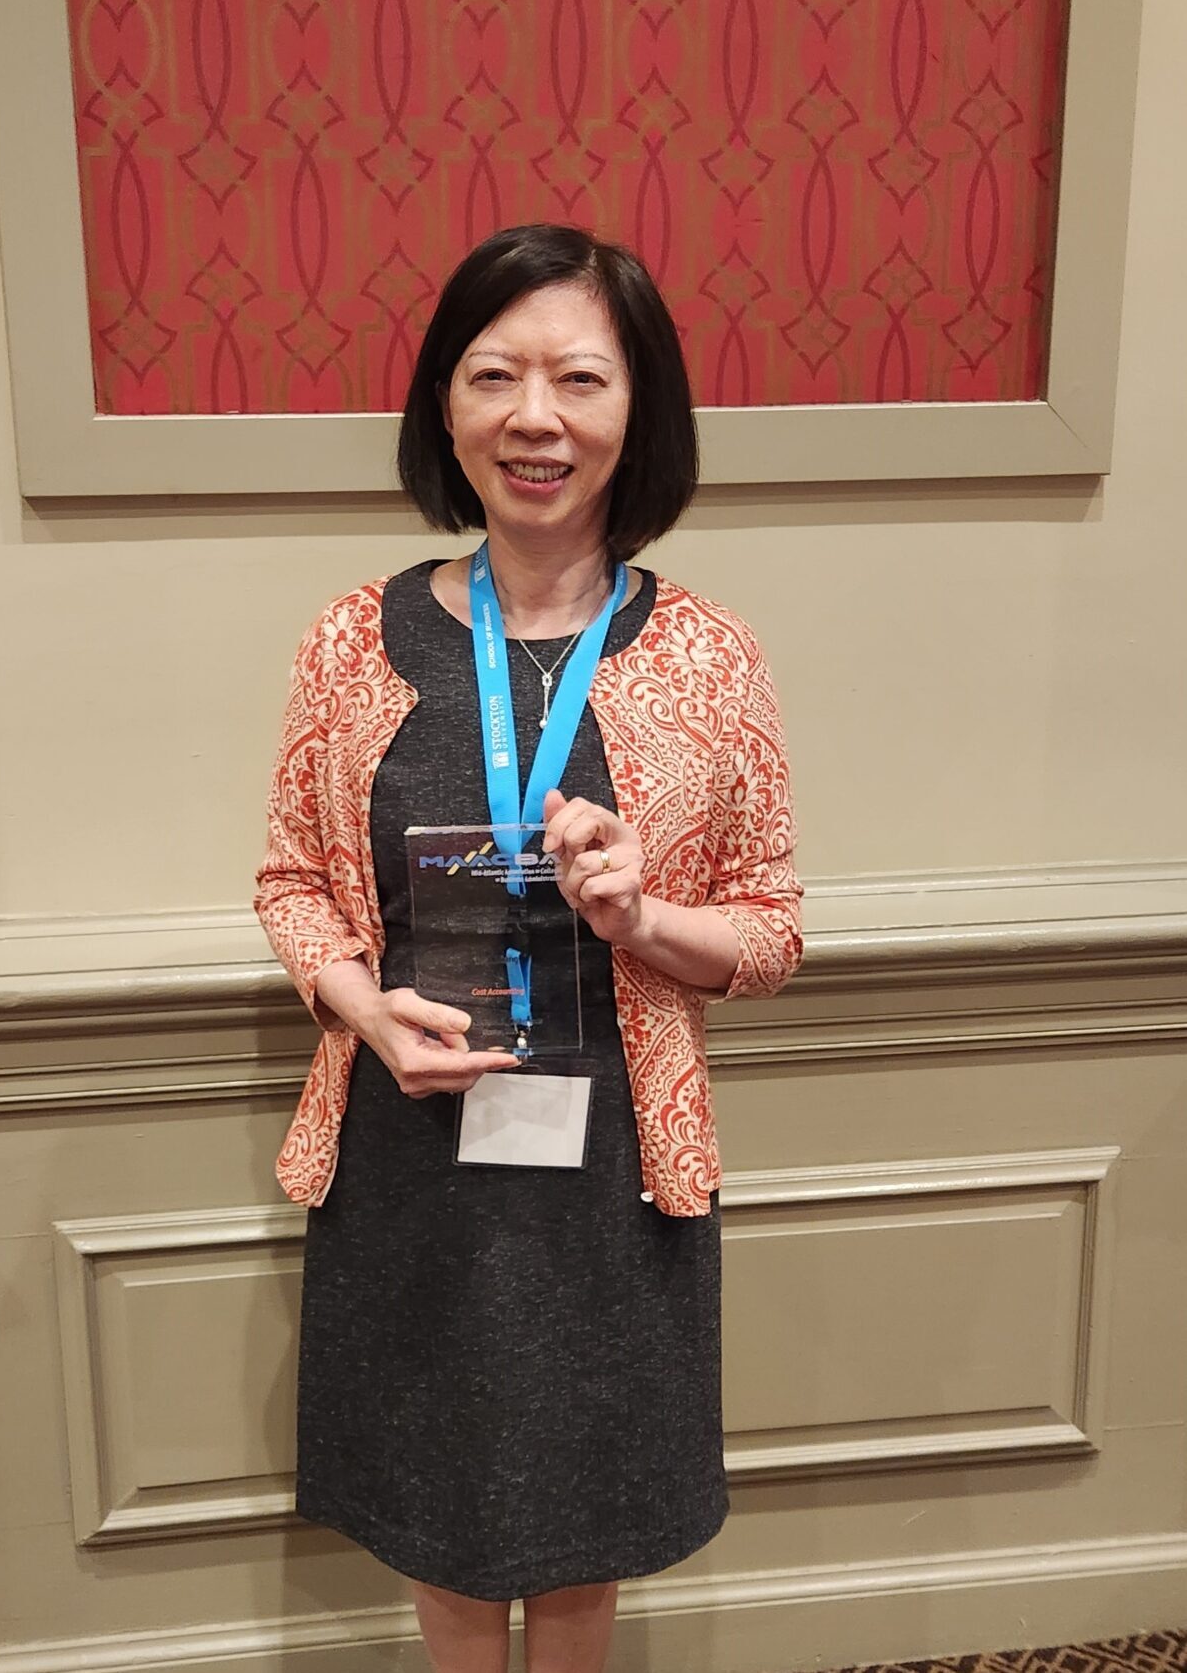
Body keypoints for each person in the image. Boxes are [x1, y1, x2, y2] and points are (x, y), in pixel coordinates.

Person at [254, 222, 804, 1673]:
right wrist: (362, 1013)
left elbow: (770, 928)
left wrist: (641, 917)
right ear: (446, 403)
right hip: (410, 1151)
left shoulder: (708, 657)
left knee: (581, 1525)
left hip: (615, 1164)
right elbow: (290, 883)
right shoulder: (349, 642)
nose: (535, 417)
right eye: (494, 375)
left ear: (639, 413)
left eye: (579, 378)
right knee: (437, 1511)